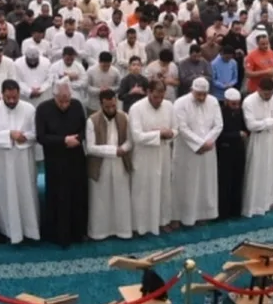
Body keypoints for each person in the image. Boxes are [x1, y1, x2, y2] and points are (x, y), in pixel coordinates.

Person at [0, 79, 40, 244]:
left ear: (19, 93)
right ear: (2, 95)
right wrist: (8, 135)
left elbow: (37, 132)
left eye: (15, 97)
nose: (12, 101)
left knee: (26, 193)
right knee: (5, 194)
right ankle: (8, 231)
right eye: (8, 98)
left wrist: (24, 137)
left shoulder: (29, 108)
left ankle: (30, 231)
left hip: (24, 159)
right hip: (2, 160)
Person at [35, 79, 88, 247]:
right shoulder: (43, 109)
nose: (65, 104)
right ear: (54, 96)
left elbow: (84, 129)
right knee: (59, 197)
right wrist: (64, 140)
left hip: (76, 158)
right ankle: (59, 235)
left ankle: (78, 233)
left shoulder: (77, 105)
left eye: (68, 100)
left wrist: (77, 138)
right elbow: (41, 137)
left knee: (77, 195)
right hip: (55, 160)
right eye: (61, 100)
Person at [128, 79, 176, 235]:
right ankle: (140, 225)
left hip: (163, 153)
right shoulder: (136, 108)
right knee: (143, 190)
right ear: (148, 92)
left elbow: (176, 129)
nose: (158, 101)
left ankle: (162, 221)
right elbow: (137, 136)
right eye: (155, 97)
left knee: (163, 188)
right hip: (144, 156)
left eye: (161, 97)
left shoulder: (169, 106)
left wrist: (169, 134)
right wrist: (159, 133)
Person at [172, 77, 222, 226]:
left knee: (205, 182)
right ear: (192, 90)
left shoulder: (213, 101)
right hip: (187, 150)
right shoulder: (180, 103)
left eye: (204, 95)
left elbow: (218, 125)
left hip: (208, 149)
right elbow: (182, 127)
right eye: (198, 94)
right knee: (185, 183)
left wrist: (207, 142)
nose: (201, 98)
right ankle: (181, 216)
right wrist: (199, 144)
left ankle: (203, 214)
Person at [85, 88, 133, 241]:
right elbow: (90, 148)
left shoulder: (124, 117)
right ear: (101, 105)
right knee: (100, 199)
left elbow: (131, 141)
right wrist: (114, 151)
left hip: (120, 163)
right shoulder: (92, 120)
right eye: (108, 107)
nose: (111, 109)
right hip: (101, 165)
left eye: (114, 106)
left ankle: (122, 231)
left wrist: (123, 149)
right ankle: (99, 232)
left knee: (121, 197)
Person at [241, 77, 273, 217]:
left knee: (269, 171)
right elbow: (251, 126)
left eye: (270, 93)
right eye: (265, 94)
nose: (268, 97)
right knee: (256, 172)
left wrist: (264, 124)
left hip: (271, 140)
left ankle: (267, 202)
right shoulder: (249, 101)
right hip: (256, 142)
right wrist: (270, 122)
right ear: (258, 90)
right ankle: (253, 206)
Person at [216, 87, 247, 218]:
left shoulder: (240, 112)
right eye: (233, 104)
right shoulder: (220, 113)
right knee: (224, 182)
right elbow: (219, 134)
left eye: (237, 104)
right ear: (226, 102)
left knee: (238, 180)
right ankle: (223, 212)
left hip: (238, 150)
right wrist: (236, 134)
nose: (236, 106)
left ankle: (236, 210)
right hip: (224, 150)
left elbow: (246, 129)